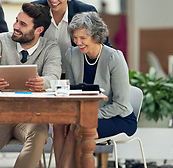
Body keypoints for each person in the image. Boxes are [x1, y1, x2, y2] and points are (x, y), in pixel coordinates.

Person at [0, 3, 62, 168]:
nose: (15, 26)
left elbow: (53, 77)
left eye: (23, 24)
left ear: (38, 30)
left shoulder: (50, 48)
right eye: (16, 21)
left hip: (32, 116)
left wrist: (43, 82)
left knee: (40, 134)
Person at [53, 12, 137, 168]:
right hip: (84, 115)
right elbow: (73, 93)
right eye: (75, 38)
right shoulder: (72, 55)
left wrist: (86, 116)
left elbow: (121, 105)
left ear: (96, 36)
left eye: (83, 38)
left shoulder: (114, 58)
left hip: (119, 118)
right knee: (59, 125)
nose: (78, 42)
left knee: (77, 128)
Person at [32, 0, 111, 77]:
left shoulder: (85, 11)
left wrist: (116, 72)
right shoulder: (35, 9)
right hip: (42, 76)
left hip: (76, 75)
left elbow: (103, 44)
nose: (54, 0)